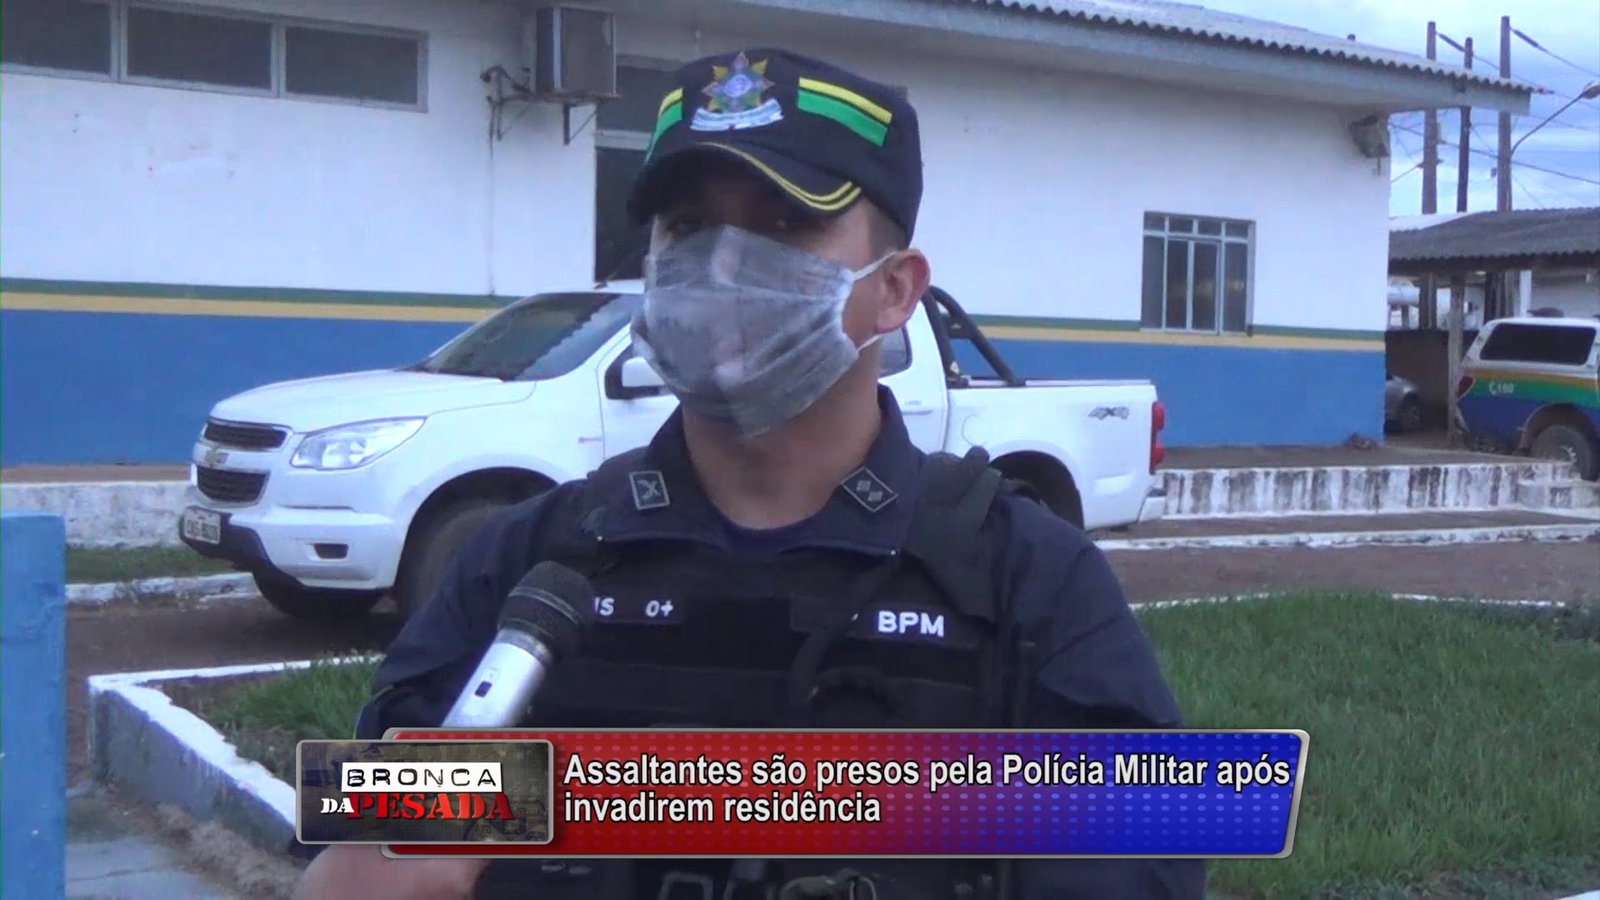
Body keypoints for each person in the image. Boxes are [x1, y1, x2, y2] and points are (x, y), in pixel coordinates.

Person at [295, 48, 1205, 900]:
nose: (722, 270)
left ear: (895, 289)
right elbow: (361, 844)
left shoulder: (1025, 581)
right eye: (688, 228)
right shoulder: (531, 564)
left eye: (784, 223)